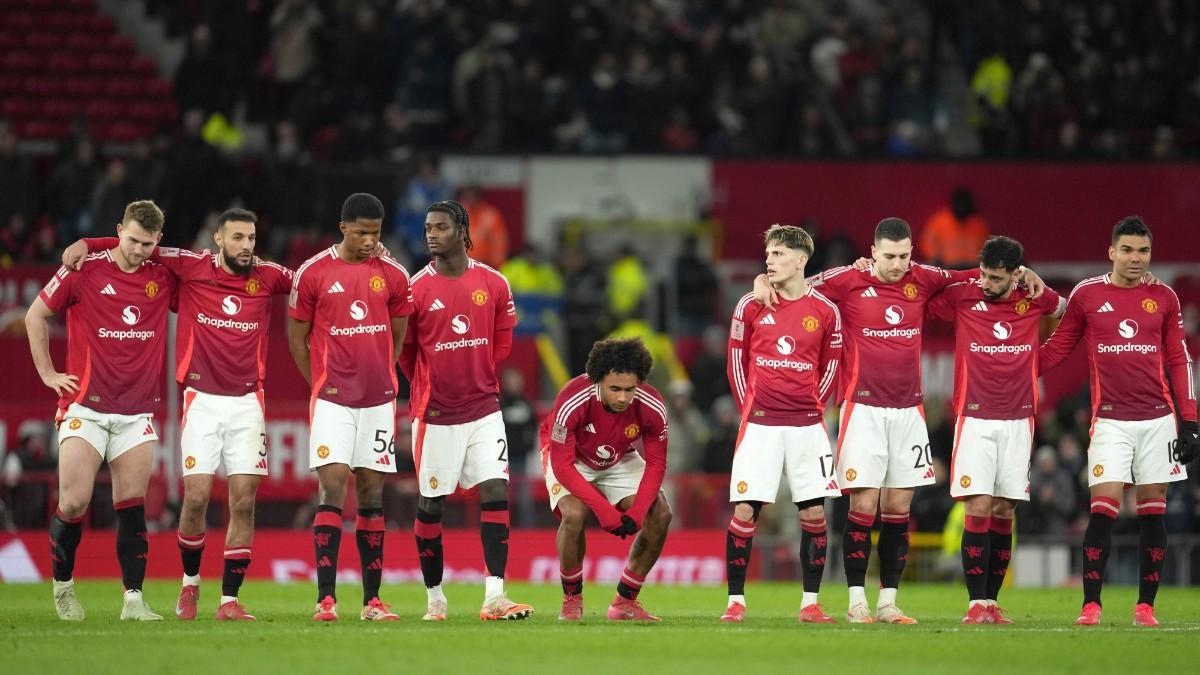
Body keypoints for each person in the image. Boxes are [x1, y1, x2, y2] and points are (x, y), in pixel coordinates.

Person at [752, 217, 1046, 623]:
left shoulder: (921, 277)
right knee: (863, 505)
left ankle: (888, 601)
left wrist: (1023, 273)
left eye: (905, 256)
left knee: (898, 508)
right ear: (872, 253)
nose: (898, 264)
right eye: (889, 256)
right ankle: (857, 601)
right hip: (863, 408)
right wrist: (764, 281)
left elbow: (972, 276)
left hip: (910, 411)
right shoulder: (846, 279)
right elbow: (798, 281)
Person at [63, 208, 292, 621]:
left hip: (247, 403)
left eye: (252, 238)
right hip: (200, 400)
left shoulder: (269, 276)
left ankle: (229, 601)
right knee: (197, 497)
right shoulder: (190, 265)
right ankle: (189, 587)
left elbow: (316, 279)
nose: (246, 246)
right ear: (218, 239)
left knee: (243, 502)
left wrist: (367, 255)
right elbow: (135, 247)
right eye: (237, 238)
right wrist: (88, 244)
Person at [1039, 216, 1197, 627]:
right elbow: (1058, 348)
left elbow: (1179, 360)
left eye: (1143, 251)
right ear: (1111, 251)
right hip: (1110, 422)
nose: (1135, 258)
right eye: (1127, 250)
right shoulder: (1088, 295)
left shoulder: (1164, 298)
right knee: (1103, 509)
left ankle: (1146, 606)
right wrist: (1014, 367)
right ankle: (1091, 604)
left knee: (1152, 515)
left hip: (1158, 421)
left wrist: (1190, 420)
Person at [26, 200, 176, 621]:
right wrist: (48, 374)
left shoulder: (162, 277)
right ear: (118, 231)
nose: (137, 250)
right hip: (84, 408)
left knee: (131, 504)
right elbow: (36, 315)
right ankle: (64, 588)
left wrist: (95, 239)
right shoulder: (83, 269)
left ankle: (133, 601)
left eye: (147, 243)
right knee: (74, 503)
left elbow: (197, 264)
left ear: (157, 241)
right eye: (130, 240)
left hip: (135, 412)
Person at [399, 200, 533, 621]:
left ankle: (495, 596)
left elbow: (503, 342)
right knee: (433, 504)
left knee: (495, 491)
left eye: (440, 227)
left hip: (484, 409)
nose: (431, 234)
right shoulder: (415, 288)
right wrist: (431, 382)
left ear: (461, 230)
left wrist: (477, 374)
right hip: (436, 414)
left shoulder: (493, 283)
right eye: (427, 228)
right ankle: (435, 598)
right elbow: (405, 353)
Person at [925, 236, 1064, 624]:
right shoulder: (966, 293)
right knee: (979, 505)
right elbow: (921, 291)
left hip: (1019, 420)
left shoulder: (1034, 295)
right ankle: (974, 605)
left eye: (995, 277)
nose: (986, 282)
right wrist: (973, 274)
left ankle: (992, 601)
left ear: (1016, 273)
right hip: (974, 418)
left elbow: (1072, 316)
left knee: (1005, 509)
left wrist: (1038, 360)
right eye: (983, 273)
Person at [288, 193, 413, 622]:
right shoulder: (314, 273)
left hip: (378, 401)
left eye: (375, 233)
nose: (368, 240)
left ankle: (372, 602)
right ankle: (326, 599)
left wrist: (382, 375)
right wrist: (320, 385)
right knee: (332, 488)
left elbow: (398, 336)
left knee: (372, 494)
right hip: (332, 402)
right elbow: (297, 338)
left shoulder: (394, 274)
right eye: (361, 232)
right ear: (343, 227)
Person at [721, 224, 842, 624]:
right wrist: (750, 409)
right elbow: (737, 363)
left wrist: (812, 406)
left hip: (807, 427)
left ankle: (810, 603)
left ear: (800, 260)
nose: (769, 261)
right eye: (767, 255)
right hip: (760, 425)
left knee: (813, 515)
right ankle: (735, 602)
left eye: (777, 254)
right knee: (745, 511)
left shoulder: (826, 311)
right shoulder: (750, 305)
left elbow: (830, 368)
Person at [541, 337, 672, 622]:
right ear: (598, 380)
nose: (623, 398)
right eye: (615, 389)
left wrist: (637, 514)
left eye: (630, 389)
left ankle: (625, 601)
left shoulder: (653, 406)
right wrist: (604, 511)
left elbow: (657, 463)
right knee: (575, 514)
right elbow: (562, 467)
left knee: (660, 512)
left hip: (616, 457)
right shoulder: (572, 398)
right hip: (571, 458)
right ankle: (571, 600)